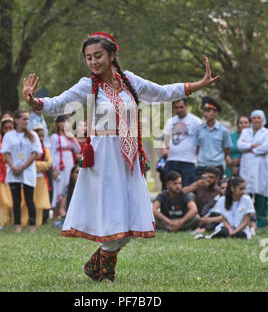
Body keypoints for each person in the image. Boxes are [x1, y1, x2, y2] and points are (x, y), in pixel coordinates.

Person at [22, 31, 219, 282]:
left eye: (98, 56)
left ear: (112, 55)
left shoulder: (130, 81)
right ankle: (106, 275)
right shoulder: (87, 86)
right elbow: (58, 104)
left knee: (132, 216)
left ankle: (96, 265)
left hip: (129, 156)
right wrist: (34, 101)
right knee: (113, 214)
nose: (93, 62)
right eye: (88, 57)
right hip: (103, 156)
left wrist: (197, 85)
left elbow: (161, 92)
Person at [0, 110, 42, 233]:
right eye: (24, 119)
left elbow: (36, 153)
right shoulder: (9, 135)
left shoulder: (33, 135)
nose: (26, 122)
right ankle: (17, 225)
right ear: (17, 120)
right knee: (16, 200)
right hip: (13, 171)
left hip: (27, 170)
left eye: (27, 119)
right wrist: (13, 166)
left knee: (29, 199)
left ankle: (32, 225)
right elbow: (6, 152)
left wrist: (23, 166)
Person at [237, 110, 268, 228]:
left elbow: (265, 147)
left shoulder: (266, 133)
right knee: (245, 193)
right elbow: (240, 145)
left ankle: (260, 222)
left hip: (261, 167)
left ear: (263, 119)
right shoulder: (246, 131)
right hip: (247, 167)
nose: (256, 120)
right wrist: (252, 145)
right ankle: (246, 221)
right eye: (254, 118)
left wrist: (250, 149)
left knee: (260, 193)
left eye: (258, 118)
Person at [50, 114, 81, 227]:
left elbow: (78, 149)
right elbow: (52, 152)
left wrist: (72, 137)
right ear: (58, 124)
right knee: (58, 189)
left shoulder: (69, 137)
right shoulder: (54, 137)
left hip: (69, 164)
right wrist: (53, 168)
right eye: (63, 121)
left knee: (68, 187)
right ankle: (55, 218)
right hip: (59, 165)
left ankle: (67, 217)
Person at [163, 98, 202, 187]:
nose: (179, 110)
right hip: (171, 161)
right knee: (170, 189)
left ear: (186, 107)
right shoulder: (170, 121)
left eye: (181, 107)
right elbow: (165, 140)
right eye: (176, 107)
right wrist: (164, 150)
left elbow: (200, 140)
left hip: (188, 161)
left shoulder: (195, 121)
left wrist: (196, 153)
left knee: (186, 189)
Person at [195, 96, 232, 180]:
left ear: (215, 113)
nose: (205, 114)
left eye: (208, 111)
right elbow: (197, 147)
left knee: (216, 190)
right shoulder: (199, 129)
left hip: (216, 166)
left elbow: (226, 149)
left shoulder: (223, 131)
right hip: (202, 166)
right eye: (204, 110)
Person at [33, 126, 52, 227]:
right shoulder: (30, 149)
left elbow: (48, 163)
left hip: (41, 178)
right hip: (30, 177)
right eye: (38, 136)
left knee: (40, 199)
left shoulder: (45, 150)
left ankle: (39, 221)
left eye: (42, 136)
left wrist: (37, 165)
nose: (40, 138)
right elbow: (30, 163)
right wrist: (41, 164)